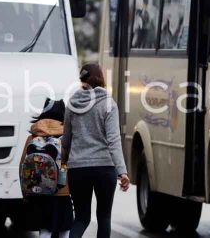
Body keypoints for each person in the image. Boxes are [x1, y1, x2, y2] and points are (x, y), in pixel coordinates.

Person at [62, 63, 130, 238]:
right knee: (104, 217)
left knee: (81, 219)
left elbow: (66, 140)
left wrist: (65, 163)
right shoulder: (108, 104)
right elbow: (113, 140)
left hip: (78, 169)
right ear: (100, 79)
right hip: (104, 168)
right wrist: (122, 171)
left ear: (82, 80)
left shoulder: (72, 104)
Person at [20, 99, 73, 238]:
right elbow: (67, 164)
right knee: (65, 230)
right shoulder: (65, 138)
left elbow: (22, 167)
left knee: (44, 230)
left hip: (38, 192)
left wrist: (26, 192)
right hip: (62, 193)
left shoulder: (32, 137)